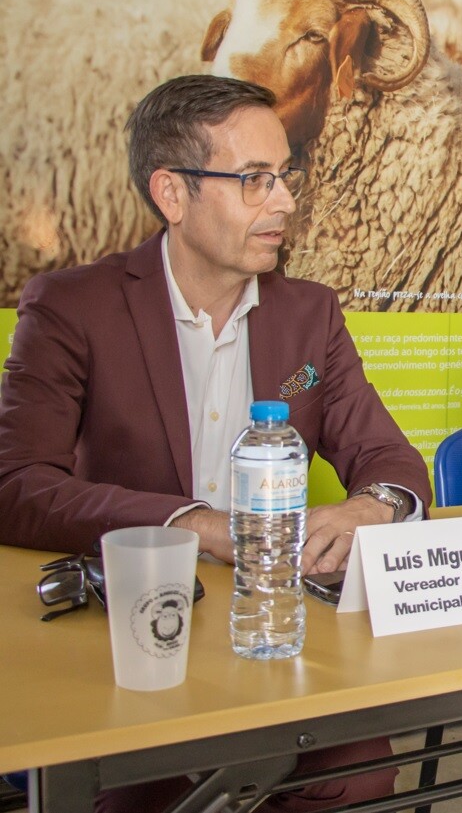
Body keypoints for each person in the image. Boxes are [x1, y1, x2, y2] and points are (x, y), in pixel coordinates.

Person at [0, 75, 432, 812]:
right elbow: (16, 484)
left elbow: (389, 460)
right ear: (172, 193)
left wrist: (374, 506)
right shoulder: (73, 306)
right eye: (255, 178)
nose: (285, 202)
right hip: (134, 638)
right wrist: (193, 525)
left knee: (358, 774)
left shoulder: (311, 314)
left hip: (275, 628)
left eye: (286, 174)